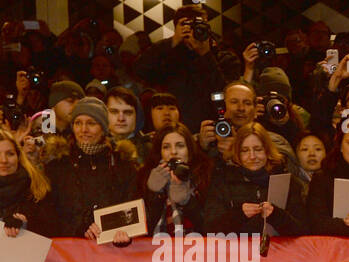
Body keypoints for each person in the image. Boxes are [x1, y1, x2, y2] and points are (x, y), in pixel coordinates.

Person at [43, 97, 137, 239]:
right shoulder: (58, 165)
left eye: (91, 123)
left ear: (103, 128)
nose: (83, 130)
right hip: (69, 251)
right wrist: (79, 228)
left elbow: (131, 206)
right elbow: (49, 213)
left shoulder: (122, 164)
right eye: (78, 123)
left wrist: (118, 232)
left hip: (112, 249)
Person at [202, 122, 307, 236]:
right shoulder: (222, 182)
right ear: (237, 153)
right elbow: (209, 229)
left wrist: (276, 215)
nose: (252, 156)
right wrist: (239, 215)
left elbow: (302, 230)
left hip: (278, 252)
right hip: (236, 252)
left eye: (258, 149)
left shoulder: (286, 182)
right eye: (245, 150)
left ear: (267, 151)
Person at [134, 3, 224, 131]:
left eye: (198, 25)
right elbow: (140, 70)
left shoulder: (218, 55)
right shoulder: (165, 54)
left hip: (207, 127)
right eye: (186, 24)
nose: (193, 30)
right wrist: (173, 42)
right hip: (171, 128)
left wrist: (206, 54)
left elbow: (221, 91)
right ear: (176, 27)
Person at [137, 123, 210, 235]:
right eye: (166, 147)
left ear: (189, 151)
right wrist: (155, 194)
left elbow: (211, 228)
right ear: (159, 152)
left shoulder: (206, 175)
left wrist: (187, 202)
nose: (173, 152)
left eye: (180, 146)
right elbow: (140, 229)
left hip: (198, 248)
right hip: (155, 249)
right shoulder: (144, 177)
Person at [0, 128, 50, 237]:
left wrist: (25, 228)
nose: (3, 160)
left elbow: (49, 234)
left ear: (18, 157)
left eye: (10, 154)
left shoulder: (36, 191)